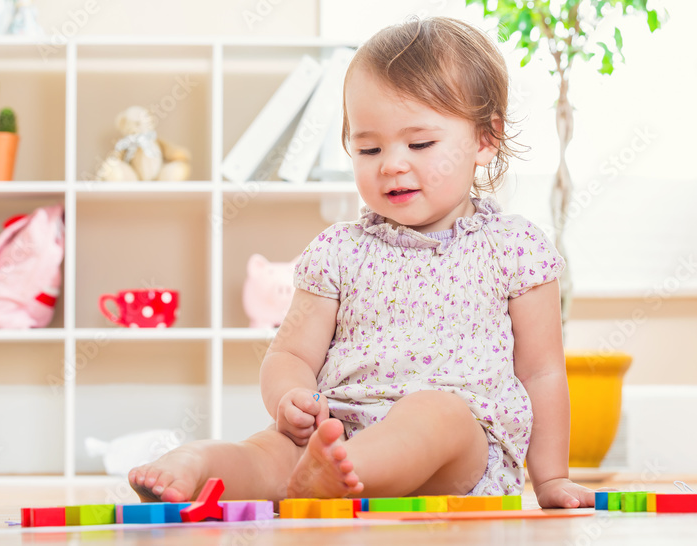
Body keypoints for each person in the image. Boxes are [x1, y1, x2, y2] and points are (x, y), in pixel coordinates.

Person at [129, 16, 594, 509]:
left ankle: (342, 477)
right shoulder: (339, 252)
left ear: (484, 139)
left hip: (458, 445)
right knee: (267, 451)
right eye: (368, 147)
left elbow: (542, 373)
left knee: (436, 414)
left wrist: (550, 479)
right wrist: (291, 399)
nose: (391, 163)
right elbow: (290, 356)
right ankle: (198, 466)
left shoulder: (514, 248)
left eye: (419, 144)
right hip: (336, 429)